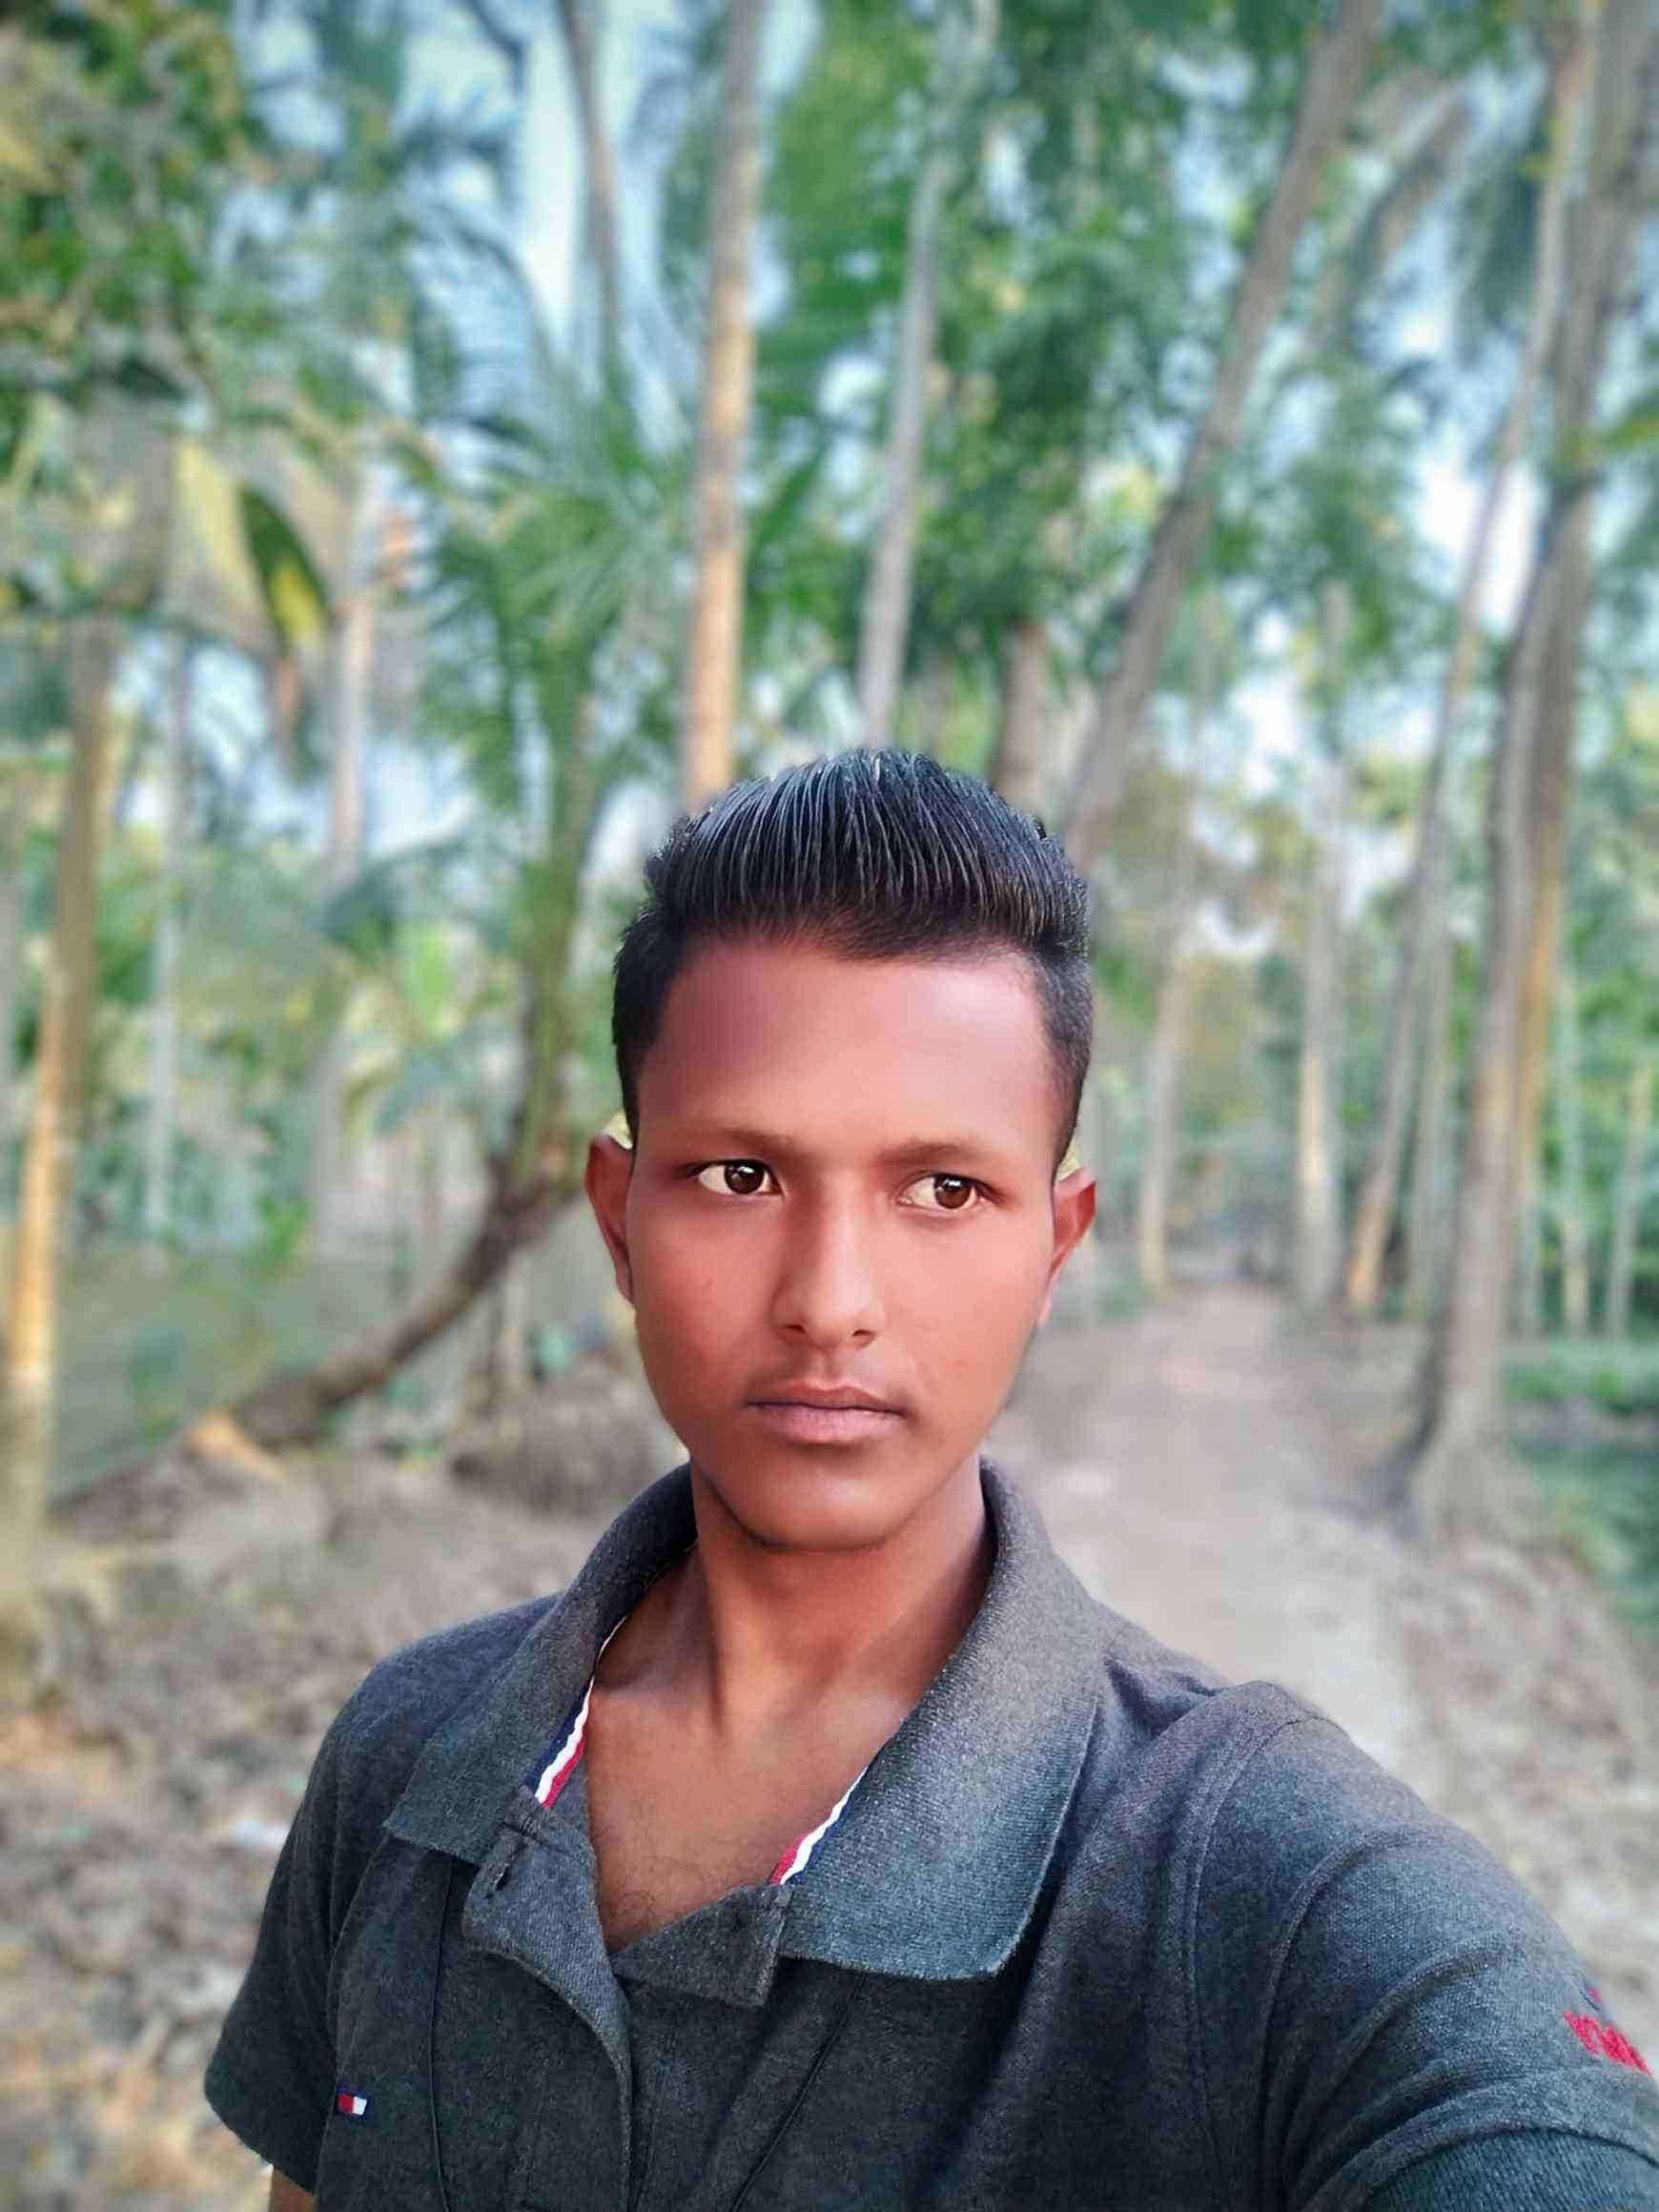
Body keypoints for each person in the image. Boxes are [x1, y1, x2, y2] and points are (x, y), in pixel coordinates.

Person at [205, 748, 1659, 2211]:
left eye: (945, 1190)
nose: (830, 1302)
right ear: (619, 1218)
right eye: (740, 1177)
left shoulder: (1262, 1884)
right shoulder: (409, 1753)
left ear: (1055, 1245)